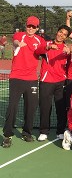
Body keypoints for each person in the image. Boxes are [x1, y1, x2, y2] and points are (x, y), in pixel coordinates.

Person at [1, 16, 46, 148]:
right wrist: (18, 44)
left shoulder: (40, 40)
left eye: (33, 26)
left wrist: (50, 48)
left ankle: (27, 132)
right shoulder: (20, 35)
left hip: (32, 78)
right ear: (26, 26)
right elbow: (15, 41)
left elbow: (43, 51)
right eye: (29, 26)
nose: (31, 28)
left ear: (37, 28)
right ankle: (7, 135)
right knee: (12, 107)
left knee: (31, 108)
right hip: (16, 77)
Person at [34, 25, 72, 141]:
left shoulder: (67, 48)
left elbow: (70, 64)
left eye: (64, 34)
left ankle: (60, 131)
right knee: (45, 107)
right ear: (57, 32)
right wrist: (49, 47)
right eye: (60, 32)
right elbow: (37, 51)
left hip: (61, 82)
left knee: (61, 108)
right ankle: (44, 131)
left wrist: (70, 51)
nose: (61, 35)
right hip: (46, 81)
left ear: (66, 37)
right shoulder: (47, 43)